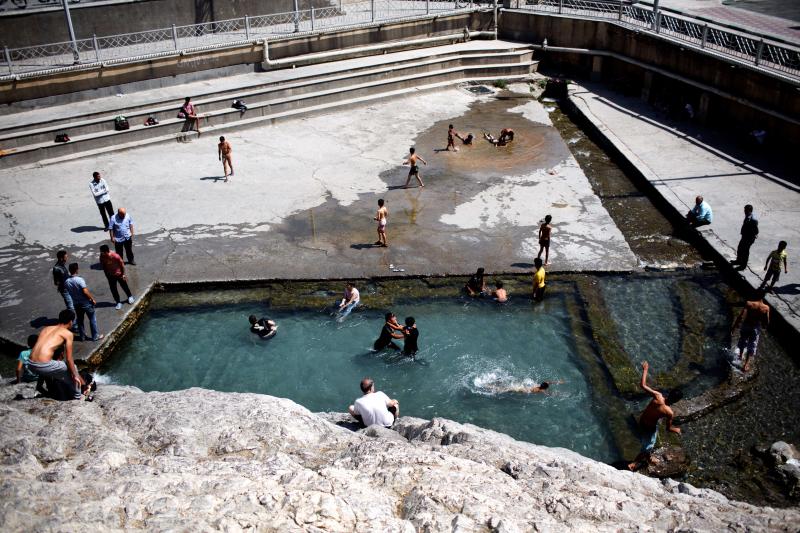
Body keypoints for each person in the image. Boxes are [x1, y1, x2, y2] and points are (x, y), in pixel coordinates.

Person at [627, 361, 681, 471]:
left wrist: (645, 369)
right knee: (648, 447)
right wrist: (676, 430)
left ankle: (648, 458)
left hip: (642, 421)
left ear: (669, 394)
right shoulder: (669, 412)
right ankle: (633, 464)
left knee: (648, 444)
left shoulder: (658, 396)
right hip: (650, 428)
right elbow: (668, 428)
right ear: (676, 401)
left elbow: (642, 385)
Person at [27, 309, 84, 401]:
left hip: (30, 363)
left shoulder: (46, 328)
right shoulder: (68, 334)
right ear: (70, 321)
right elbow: (69, 358)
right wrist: (75, 374)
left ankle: (43, 387)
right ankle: (78, 397)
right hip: (43, 365)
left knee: (62, 371)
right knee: (74, 368)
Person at [731, 291, 769, 372]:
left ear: (755, 295)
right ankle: (746, 364)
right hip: (755, 327)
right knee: (752, 345)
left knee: (743, 340)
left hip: (746, 325)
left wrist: (734, 327)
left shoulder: (749, 303)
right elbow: (766, 322)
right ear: (763, 297)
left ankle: (740, 356)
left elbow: (741, 316)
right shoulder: (766, 308)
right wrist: (764, 326)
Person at [64, 263, 103, 342]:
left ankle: (82, 337)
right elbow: (85, 292)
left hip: (76, 303)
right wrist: (92, 299)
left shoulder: (67, 281)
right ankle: (95, 336)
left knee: (80, 320)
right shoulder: (79, 280)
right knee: (92, 319)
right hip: (85, 303)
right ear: (76, 269)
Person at [100, 244, 134, 310]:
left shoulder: (115, 256)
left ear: (106, 252)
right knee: (113, 289)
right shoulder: (102, 256)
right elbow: (103, 265)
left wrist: (123, 274)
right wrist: (106, 274)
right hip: (110, 275)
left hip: (119, 274)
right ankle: (118, 302)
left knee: (124, 285)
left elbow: (122, 265)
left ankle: (130, 296)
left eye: (102, 252)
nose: (101, 253)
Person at [731, 205, 758, 270]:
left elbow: (756, 231)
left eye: (745, 210)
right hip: (745, 236)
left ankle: (743, 266)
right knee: (740, 248)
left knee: (745, 251)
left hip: (749, 238)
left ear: (749, 210)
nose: (744, 211)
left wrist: (752, 236)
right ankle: (738, 261)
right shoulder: (748, 216)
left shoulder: (753, 219)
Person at [486, 380, 562, 394]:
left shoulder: (541, 385)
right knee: (506, 389)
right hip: (523, 390)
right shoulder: (541, 390)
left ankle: (495, 384)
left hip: (524, 386)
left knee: (509, 387)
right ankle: (490, 387)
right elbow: (548, 394)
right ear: (545, 388)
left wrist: (558, 382)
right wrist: (558, 394)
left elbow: (548, 382)